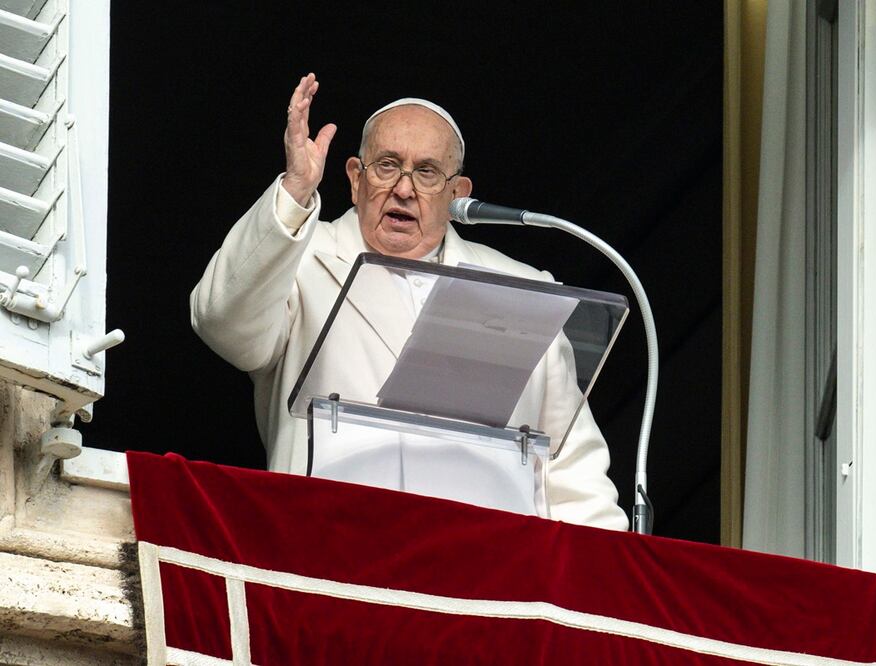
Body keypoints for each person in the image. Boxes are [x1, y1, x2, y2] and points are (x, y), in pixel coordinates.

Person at [191, 74, 628, 530]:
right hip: (333, 551)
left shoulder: (518, 286)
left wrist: (601, 583)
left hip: (491, 572)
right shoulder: (299, 257)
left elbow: (574, 472)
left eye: (427, 172)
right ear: (355, 179)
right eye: (386, 165)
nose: (403, 188)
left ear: (458, 194)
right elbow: (222, 323)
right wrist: (296, 191)